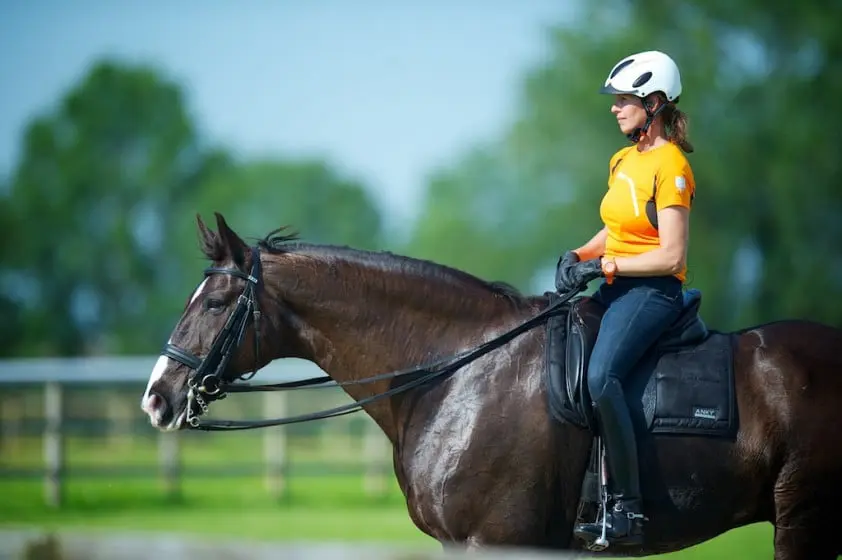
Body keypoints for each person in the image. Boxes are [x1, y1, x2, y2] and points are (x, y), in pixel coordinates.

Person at [555, 50, 696, 547]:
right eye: (615, 100)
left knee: (601, 376)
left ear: (653, 103)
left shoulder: (672, 166)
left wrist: (605, 266)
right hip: (615, 285)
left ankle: (627, 509)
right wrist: (580, 254)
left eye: (624, 100)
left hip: (654, 292)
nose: (615, 108)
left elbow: (671, 255)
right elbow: (615, 230)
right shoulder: (622, 161)